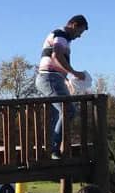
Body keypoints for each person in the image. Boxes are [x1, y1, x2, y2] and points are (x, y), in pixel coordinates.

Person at [35, 14, 89, 159]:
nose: (79, 36)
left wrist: (67, 80)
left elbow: (57, 61)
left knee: (56, 114)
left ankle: (50, 148)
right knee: (68, 110)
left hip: (53, 78)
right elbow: (56, 56)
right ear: (73, 25)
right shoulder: (61, 35)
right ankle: (53, 149)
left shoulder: (62, 37)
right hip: (50, 78)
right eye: (80, 32)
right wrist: (74, 72)